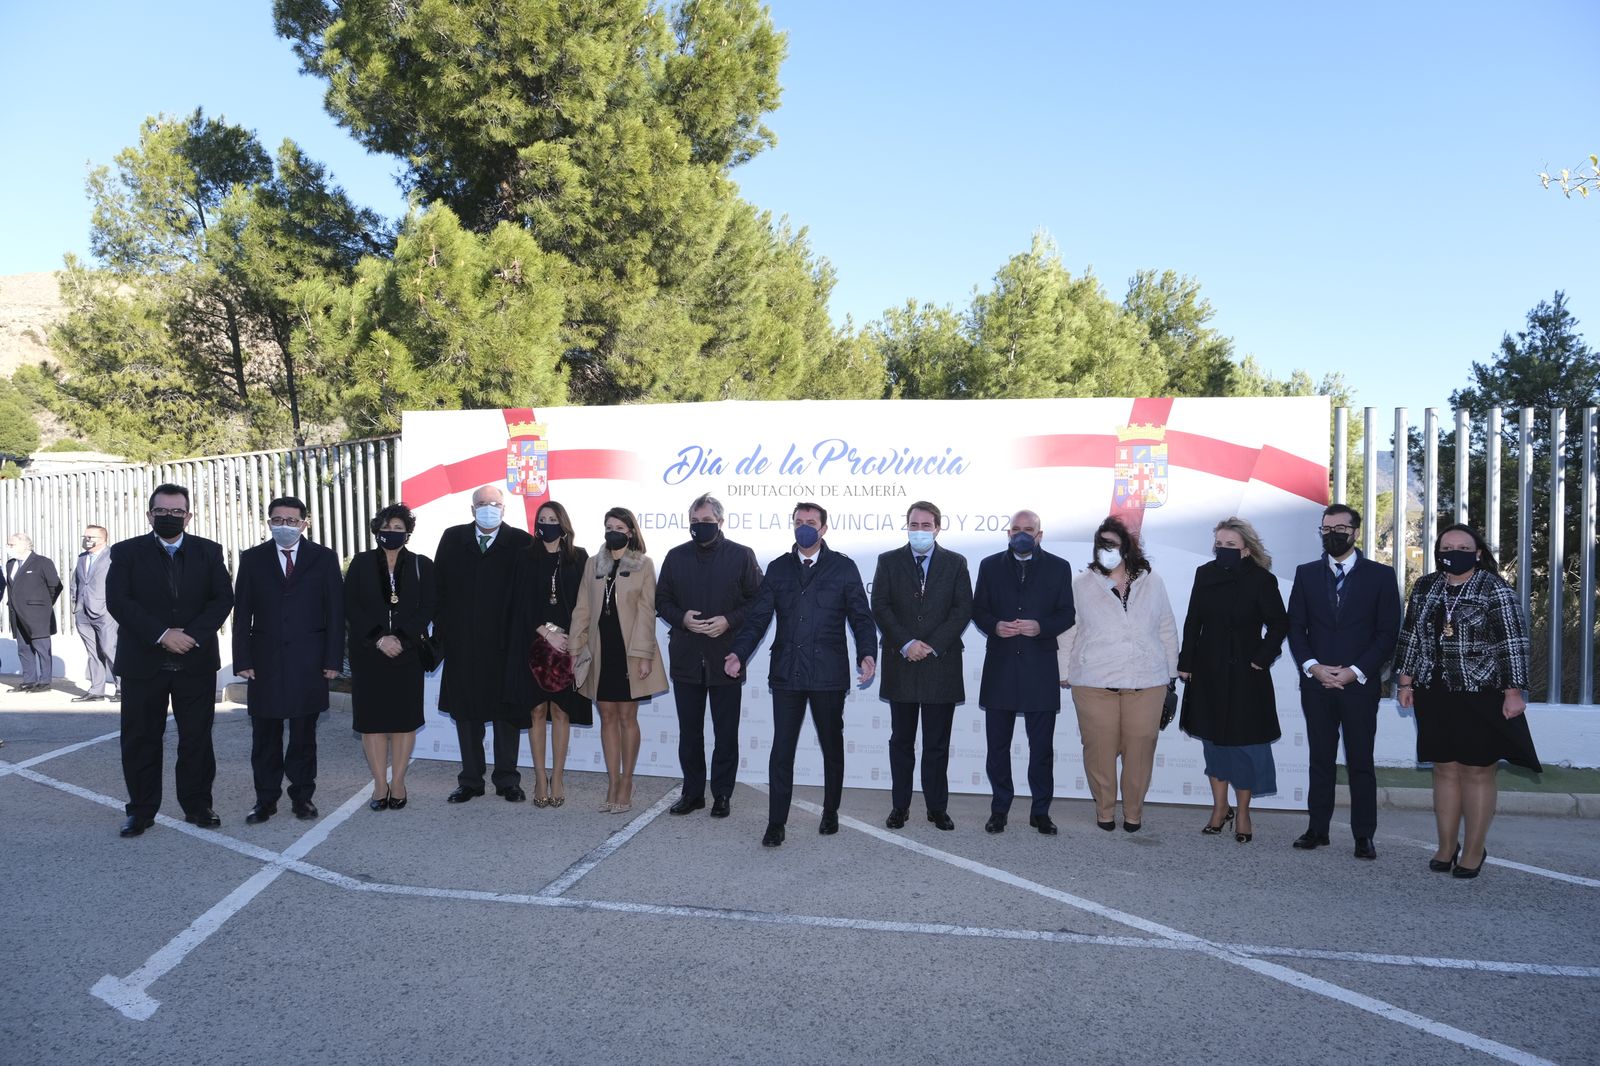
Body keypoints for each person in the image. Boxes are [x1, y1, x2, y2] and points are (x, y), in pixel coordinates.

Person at [727, 502, 877, 848]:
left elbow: (860, 616)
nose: (804, 527)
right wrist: (738, 652)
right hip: (787, 674)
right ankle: (776, 822)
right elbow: (758, 618)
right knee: (782, 749)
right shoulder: (778, 568)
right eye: (798, 522)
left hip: (828, 674)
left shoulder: (843, 567)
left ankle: (830, 811)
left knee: (831, 745)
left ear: (824, 528)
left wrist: (868, 652)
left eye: (811, 522)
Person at [1394, 524, 1539, 880]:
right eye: (1447, 546)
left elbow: (1513, 642)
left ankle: (1474, 850)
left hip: (1481, 692)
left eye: (1462, 546)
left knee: (1476, 770)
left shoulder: (1494, 588)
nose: (1453, 551)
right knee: (1444, 768)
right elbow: (1411, 633)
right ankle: (1446, 846)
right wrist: (1404, 680)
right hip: (1434, 690)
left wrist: (1514, 691)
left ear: (1476, 553)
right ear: (1437, 550)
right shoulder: (1426, 586)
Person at [105, 484, 235, 836]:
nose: (169, 517)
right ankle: (141, 811)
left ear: (188, 516)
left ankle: (198, 806)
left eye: (177, 512)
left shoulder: (209, 552)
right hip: (143, 662)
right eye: (161, 512)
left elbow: (222, 599)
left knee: (196, 739)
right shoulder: (126, 552)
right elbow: (119, 601)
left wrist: (190, 635)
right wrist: (163, 634)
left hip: (195, 660)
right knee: (141, 738)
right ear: (150, 515)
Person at [1286, 504, 1401, 860]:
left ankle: (1363, 835)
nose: (1331, 533)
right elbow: (1296, 627)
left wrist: (1355, 671)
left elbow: (1387, 633)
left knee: (1360, 762)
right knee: (1320, 759)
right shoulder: (1305, 574)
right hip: (1317, 684)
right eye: (1325, 528)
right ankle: (1317, 829)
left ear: (1355, 532)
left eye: (1339, 527)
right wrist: (1313, 667)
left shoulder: (1381, 576)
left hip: (1359, 685)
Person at [1057, 515, 1178, 833]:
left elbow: (1166, 626)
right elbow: (1069, 629)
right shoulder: (1081, 583)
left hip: (1147, 680)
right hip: (1094, 681)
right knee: (1099, 749)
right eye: (1101, 545)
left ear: (1128, 548)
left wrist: (1171, 672)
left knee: (1141, 747)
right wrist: (1063, 670)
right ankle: (1105, 809)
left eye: (1112, 544)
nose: (1106, 550)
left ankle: (1134, 813)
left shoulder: (1153, 581)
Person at [1177, 517, 1288, 844]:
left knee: (1243, 745)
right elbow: (1193, 620)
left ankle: (1242, 812)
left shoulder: (1262, 580)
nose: (1222, 550)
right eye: (1219, 545)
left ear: (1246, 550)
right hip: (1208, 670)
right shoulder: (1205, 574)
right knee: (1212, 741)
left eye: (1230, 546)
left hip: (1245, 676)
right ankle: (1219, 807)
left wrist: (1260, 658)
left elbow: (1280, 624)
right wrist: (1186, 661)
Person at [233, 497, 344, 824]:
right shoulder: (252, 559)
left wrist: (332, 659)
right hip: (264, 663)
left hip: (308, 664)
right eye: (277, 520)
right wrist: (242, 658)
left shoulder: (323, 559)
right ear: (269, 523)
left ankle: (302, 798)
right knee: (264, 738)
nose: (284, 525)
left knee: (303, 737)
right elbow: (243, 614)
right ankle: (265, 801)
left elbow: (335, 613)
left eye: (292, 521)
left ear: (304, 524)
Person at [656, 493, 762, 819]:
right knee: (690, 733)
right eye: (695, 522)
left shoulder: (742, 556)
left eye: (707, 522)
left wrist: (729, 620)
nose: (700, 527)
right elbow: (662, 601)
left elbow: (758, 602)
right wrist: (682, 618)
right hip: (687, 657)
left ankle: (722, 794)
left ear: (720, 522)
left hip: (726, 658)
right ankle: (692, 793)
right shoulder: (675, 557)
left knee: (725, 732)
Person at [971, 510, 1076, 836]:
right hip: (1001, 668)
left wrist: (1040, 627)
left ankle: (1040, 812)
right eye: (1016, 529)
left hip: (1039, 670)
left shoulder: (1059, 567)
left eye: (1028, 530)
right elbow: (978, 610)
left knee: (1041, 749)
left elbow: (1067, 614)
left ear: (1039, 534)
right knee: (997, 748)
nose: (1021, 534)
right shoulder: (989, 565)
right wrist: (995, 626)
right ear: (1008, 533)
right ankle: (999, 809)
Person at [870, 500, 972, 831]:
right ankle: (900, 807)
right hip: (902, 663)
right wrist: (906, 643)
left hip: (940, 665)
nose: (919, 531)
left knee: (936, 744)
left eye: (926, 526)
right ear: (907, 526)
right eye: (914, 525)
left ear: (937, 528)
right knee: (901, 741)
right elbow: (880, 606)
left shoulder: (956, 563)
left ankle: (936, 808)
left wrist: (932, 645)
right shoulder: (888, 561)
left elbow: (962, 609)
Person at [433, 484, 534, 804]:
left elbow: (527, 596)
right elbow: (439, 589)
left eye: (494, 503)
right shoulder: (452, 538)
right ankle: (470, 780)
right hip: (463, 646)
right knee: (467, 715)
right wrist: (446, 632)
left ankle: (507, 780)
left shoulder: (521, 542)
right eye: (482, 503)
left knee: (506, 717)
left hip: (506, 647)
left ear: (504, 509)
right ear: (472, 509)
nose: (488, 507)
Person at [570, 507, 668, 813]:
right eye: (607, 525)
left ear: (630, 531)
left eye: (618, 526)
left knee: (627, 717)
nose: (612, 530)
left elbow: (646, 612)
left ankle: (627, 781)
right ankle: (612, 781)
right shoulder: (592, 563)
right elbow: (582, 607)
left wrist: (643, 655)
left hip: (629, 651)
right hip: (600, 650)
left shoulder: (644, 564)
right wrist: (575, 647)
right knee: (607, 716)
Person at [345, 503, 437, 812]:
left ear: (407, 533)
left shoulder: (421, 564)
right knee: (372, 723)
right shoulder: (360, 563)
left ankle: (397, 781)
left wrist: (400, 638)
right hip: (368, 654)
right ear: (376, 530)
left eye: (398, 528)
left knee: (402, 721)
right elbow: (350, 607)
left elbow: (427, 608)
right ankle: (379, 784)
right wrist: (378, 638)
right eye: (386, 527)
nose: (392, 533)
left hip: (406, 654)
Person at [505, 500, 591, 809]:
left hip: (568, 646)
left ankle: (558, 776)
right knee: (537, 711)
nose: (547, 523)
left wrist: (571, 639)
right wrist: (544, 632)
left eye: (553, 518)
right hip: (534, 643)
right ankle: (540, 776)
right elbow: (517, 602)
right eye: (542, 519)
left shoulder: (578, 558)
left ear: (563, 523)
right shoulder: (525, 557)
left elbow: (585, 603)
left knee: (562, 712)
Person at [5, 533, 62, 693]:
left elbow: (55, 586)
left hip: (38, 615)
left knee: (42, 648)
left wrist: (43, 605)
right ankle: (29, 680)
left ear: (25, 545)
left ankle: (44, 682)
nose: (8, 548)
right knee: (23, 648)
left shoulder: (42, 562)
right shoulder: (11, 564)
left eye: (11, 544)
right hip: (17, 614)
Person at [72, 525, 119, 703]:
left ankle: (122, 688)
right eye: (85, 536)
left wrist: (111, 605)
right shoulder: (82, 557)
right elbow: (76, 581)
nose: (86, 539)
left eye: (91, 537)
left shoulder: (112, 556)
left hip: (105, 611)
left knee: (110, 649)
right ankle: (96, 691)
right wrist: (75, 601)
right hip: (82, 611)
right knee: (93, 653)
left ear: (103, 539)